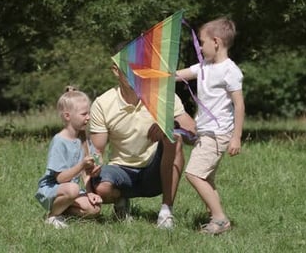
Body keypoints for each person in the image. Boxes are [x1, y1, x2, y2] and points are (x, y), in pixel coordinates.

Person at [89, 59, 196, 229]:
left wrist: (169, 125)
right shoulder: (102, 103)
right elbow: (97, 151)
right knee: (102, 188)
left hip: (156, 173)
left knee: (174, 137)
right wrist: (90, 183)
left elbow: (193, 135)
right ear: (116, 71)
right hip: (121, 171)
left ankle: (166, 211)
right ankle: (120, 200)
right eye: (130, 70)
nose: (136, 75)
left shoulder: (163, 95)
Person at [175, 17, 245, 235]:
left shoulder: (229, 70)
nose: (199, 47)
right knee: (207, 178)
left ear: (216, 41)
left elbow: (239, 104)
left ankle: (220, 219)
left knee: (194, 175)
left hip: (218, 134)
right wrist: (154, 75)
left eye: (202, 43)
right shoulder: (205, 66)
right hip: (206, 133)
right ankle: (214, 217)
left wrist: (236, 137)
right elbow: (179, 75)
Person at [35, 86, 103, 229]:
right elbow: (60, 178)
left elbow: (86, 174)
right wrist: (81, 165)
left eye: (89, 113)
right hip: (53, 190)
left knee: (95, 209)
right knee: (73, 189)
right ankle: (52, 216)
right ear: (67, 116)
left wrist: (90, 192)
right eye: (84, 114)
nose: (88, 117)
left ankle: (63, 211)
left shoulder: (83, 139)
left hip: (71, 189)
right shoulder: (59, 141)